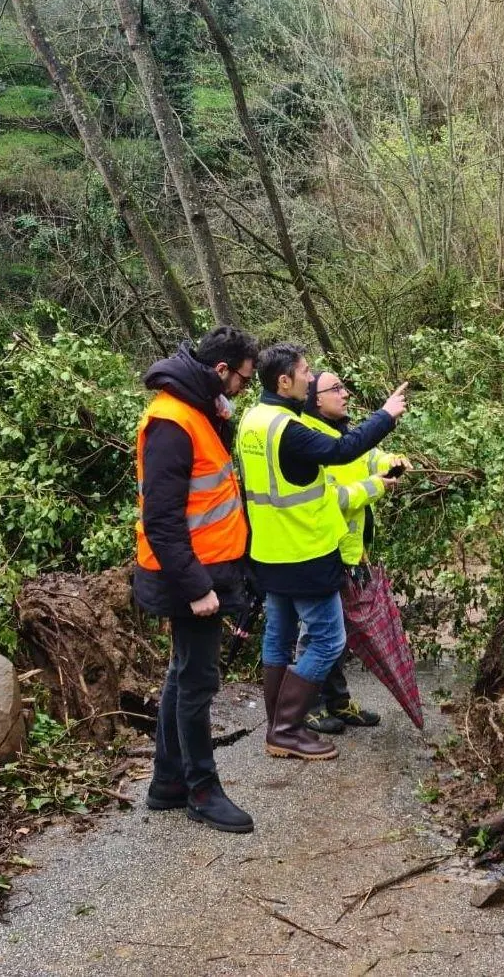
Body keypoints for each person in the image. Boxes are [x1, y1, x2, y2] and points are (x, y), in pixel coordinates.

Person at [236, 343, 407, 762]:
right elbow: (340, 452)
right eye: (306, 373)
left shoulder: (252, 419)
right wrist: (386, 415)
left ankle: (278, 724)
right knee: (329, 641)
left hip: (268, 550)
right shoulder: (288, 428)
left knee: (278, 638)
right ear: (284, 381)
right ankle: (288, 728)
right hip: (305, 551)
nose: (310, 380)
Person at [133, 325, 259, 833]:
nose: (244, 391)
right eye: (243, 381)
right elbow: (161, 520)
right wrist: (199, 588)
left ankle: (167, 783)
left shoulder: (197, 413)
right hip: (189, 578)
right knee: (198, 681)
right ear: (221, 371)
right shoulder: (171, 422)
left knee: (182, 673)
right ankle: (201, 790)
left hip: (206, 570)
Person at [300, 370, 410, 735]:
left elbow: (370, 455)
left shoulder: (342, 433)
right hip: (322, 550)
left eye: (344, 387)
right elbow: (333, 499)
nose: (345, 394)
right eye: (336, 389)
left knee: (339, 633)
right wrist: (375, 487)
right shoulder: (312, 440)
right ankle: (306, 706)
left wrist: (392, 462)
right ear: (315, 398)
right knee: (316, 633)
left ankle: (338, 701)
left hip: (350, 552)